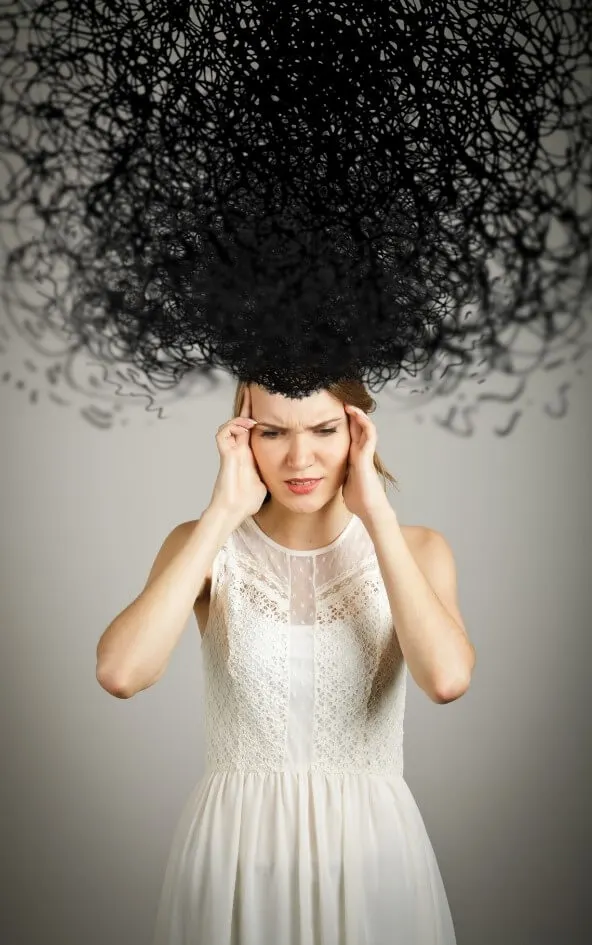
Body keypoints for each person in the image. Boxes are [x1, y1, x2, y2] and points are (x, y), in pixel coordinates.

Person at [96, 379, 475, 944]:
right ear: (243, 436)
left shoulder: (419, 548)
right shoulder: (203, 545)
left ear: (358, 430)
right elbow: (121, 673)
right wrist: (221, 514)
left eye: (324, 430)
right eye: (273, 433)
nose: (300, 458)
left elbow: (446, 680)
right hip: (236, 857)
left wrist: (376, 514)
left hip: (372, 856)